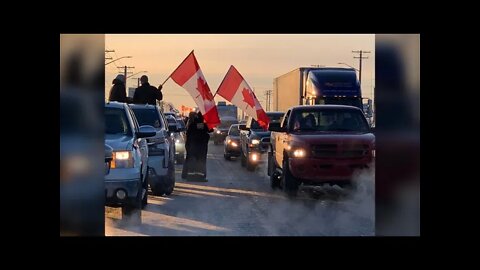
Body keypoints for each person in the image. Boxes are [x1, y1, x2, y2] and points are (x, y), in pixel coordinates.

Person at [182, 111, 211, 180]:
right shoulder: (203, 125)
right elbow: (210, 130)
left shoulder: (192, 124)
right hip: (201, 146)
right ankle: (201, 176)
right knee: (201, 160)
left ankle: (188, 175)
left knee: (190, 159)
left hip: (192, 145)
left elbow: (188, 133)